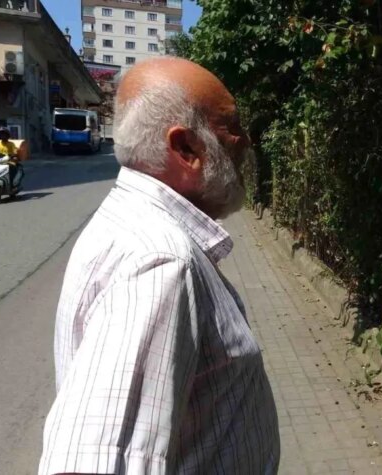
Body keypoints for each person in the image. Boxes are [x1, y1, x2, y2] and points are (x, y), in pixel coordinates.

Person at [39, 57, 280, 475]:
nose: (245, 141)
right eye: (232, 126)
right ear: (185, 149)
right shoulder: (159, 262)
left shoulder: (136, 226)